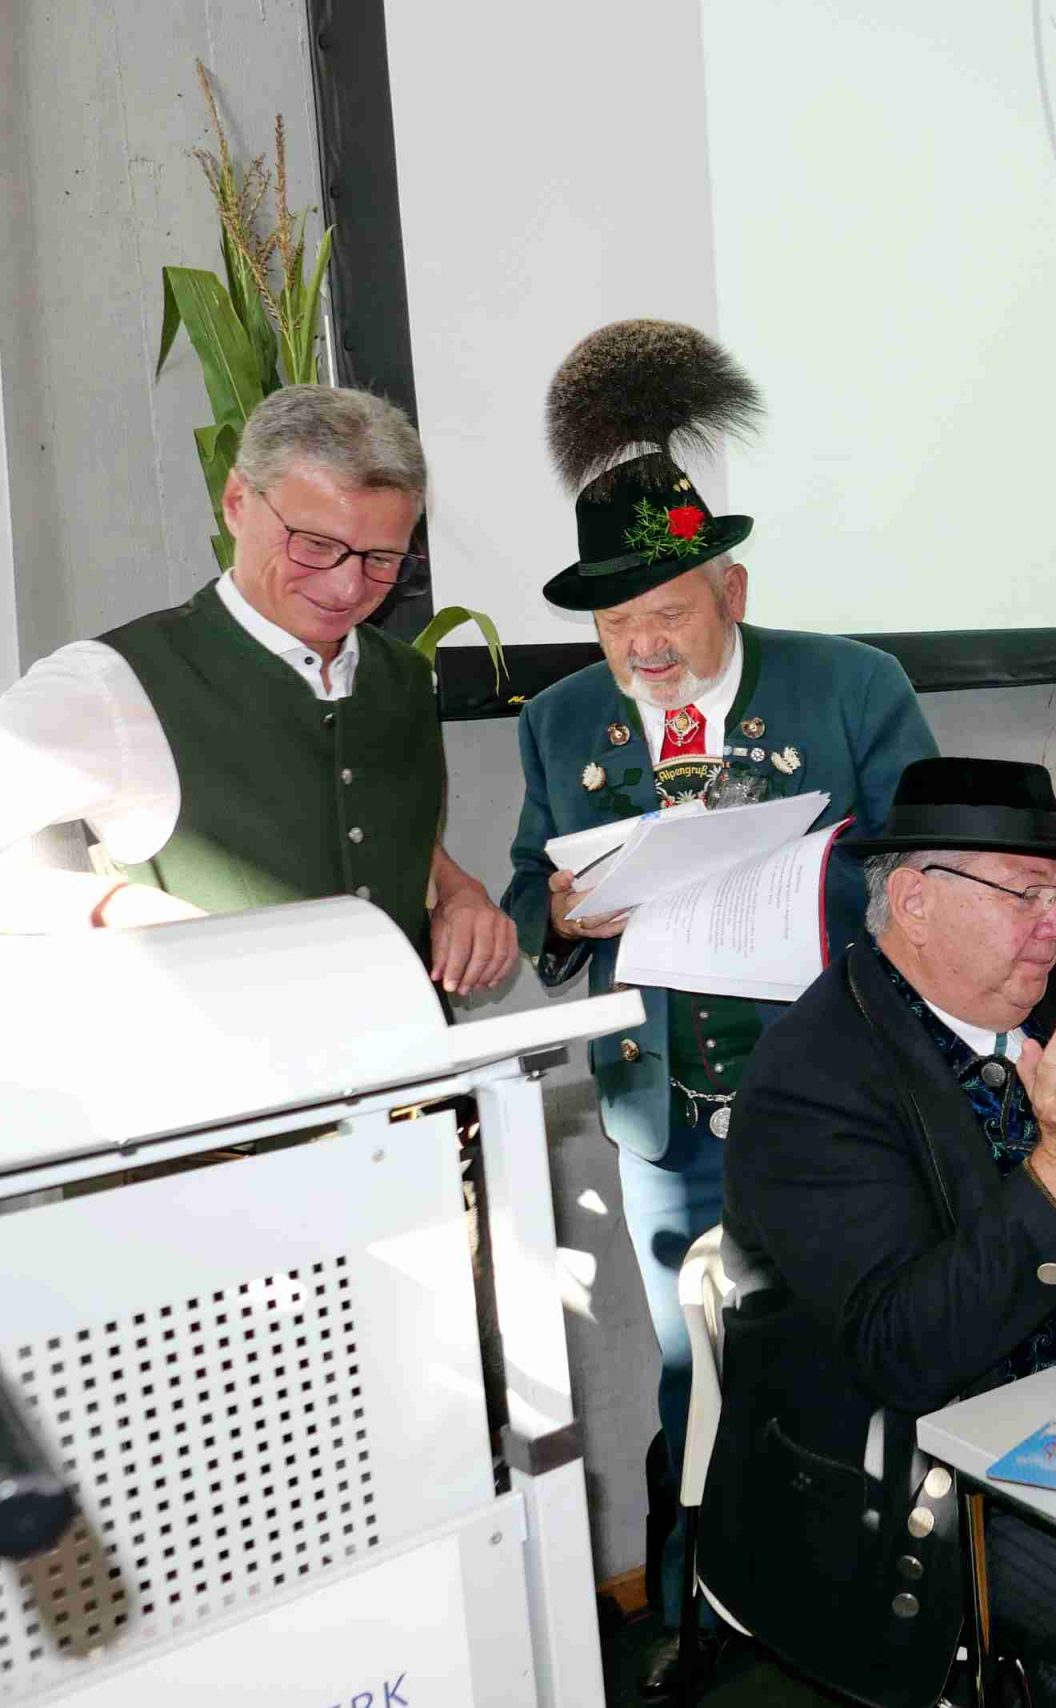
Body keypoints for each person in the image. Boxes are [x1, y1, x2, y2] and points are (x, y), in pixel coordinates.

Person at [497, 320, 934, 1682]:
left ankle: (870, 1597)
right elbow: (530, 892)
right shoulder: (560, 723)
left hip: (841, 1099)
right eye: (615, 623)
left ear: (730, 587)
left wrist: (810, 886)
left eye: (668, 614)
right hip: (666, 1114)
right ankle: (704, 1613)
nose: (642, 646)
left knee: (852, 1341)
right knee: (700, 1369)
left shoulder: (850, 687)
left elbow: (928, 874)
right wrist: (561, 911)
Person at [706, 758, 1056, 1708]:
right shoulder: (816, 1076)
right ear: (915, 901)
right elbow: (904, 1353)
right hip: (927, 1471)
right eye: (1026, 894)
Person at [0, 385, 514, 990]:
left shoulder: (404, 675)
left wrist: (455, 890)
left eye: (381, 558)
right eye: (315, 545)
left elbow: (370, 821)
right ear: (237, 502)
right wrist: (113, 910)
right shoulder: (113, 683)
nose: (348, 588)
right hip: (223, 1048)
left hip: (417, 1047)